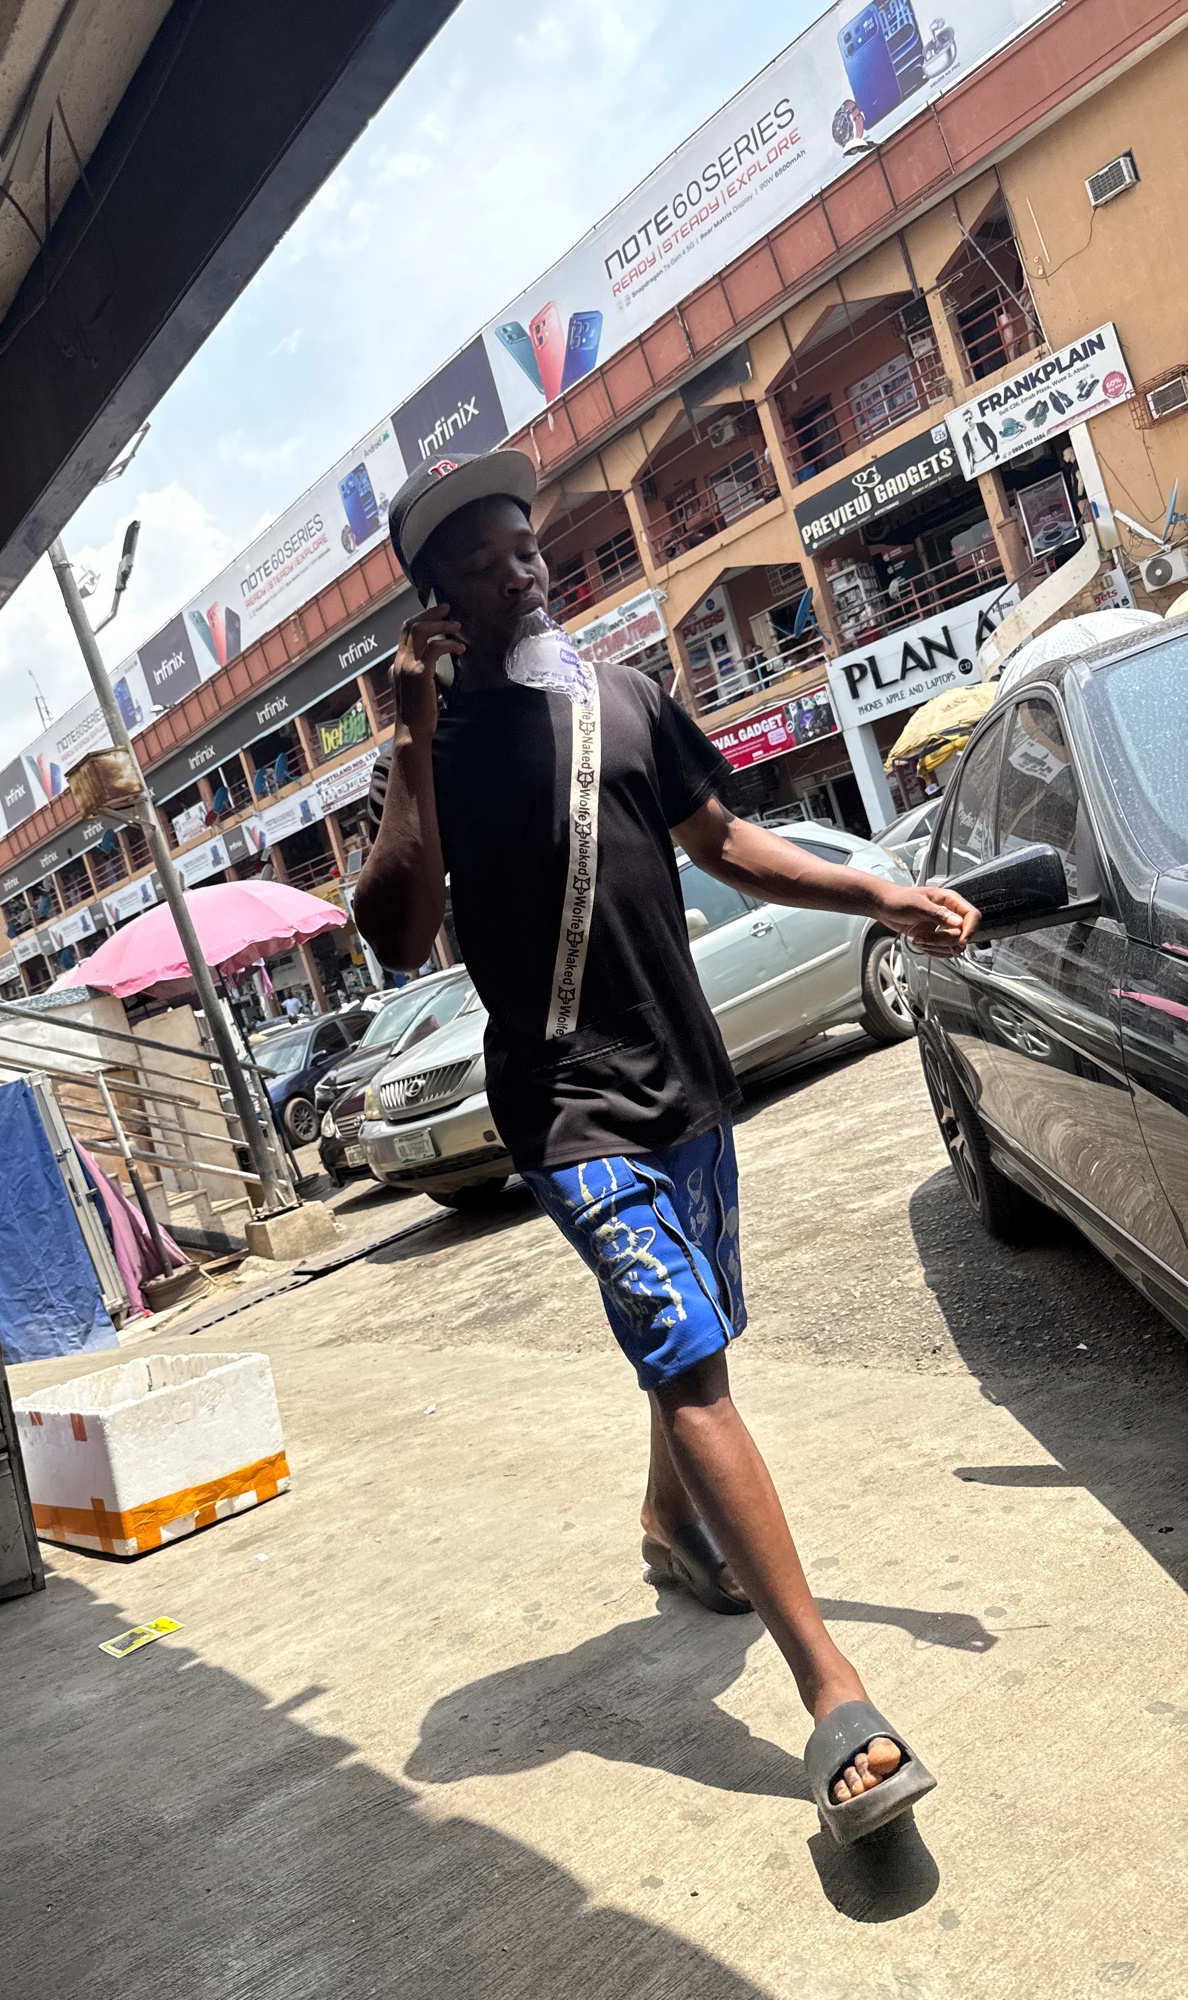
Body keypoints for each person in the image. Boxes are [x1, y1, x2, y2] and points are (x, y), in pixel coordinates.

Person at [352, 449, 978, 1846]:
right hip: (567, 1113)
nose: (519, 575)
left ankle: (667, 1529)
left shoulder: (627, 700)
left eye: (525, 549)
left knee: (692, 1331)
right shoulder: (434, 749)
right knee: (692, 1365)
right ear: (433, 599)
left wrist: (879, 895)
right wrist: (405, 735)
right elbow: (396, 931)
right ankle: (835, 1699)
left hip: (688, 1085)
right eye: (480, 564)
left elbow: (729, 843)